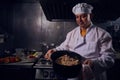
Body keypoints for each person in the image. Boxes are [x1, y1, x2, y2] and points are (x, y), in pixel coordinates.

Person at [44, 3, 115, 80]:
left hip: (93, 74)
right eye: (77, 17)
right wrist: (54, 50)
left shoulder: (103, 34)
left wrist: (94, 63)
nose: (79, 20)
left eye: (83, 16)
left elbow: (109, 58)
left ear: (90, 16)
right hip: (73, 74)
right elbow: (64, 47)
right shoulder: (72, 33)